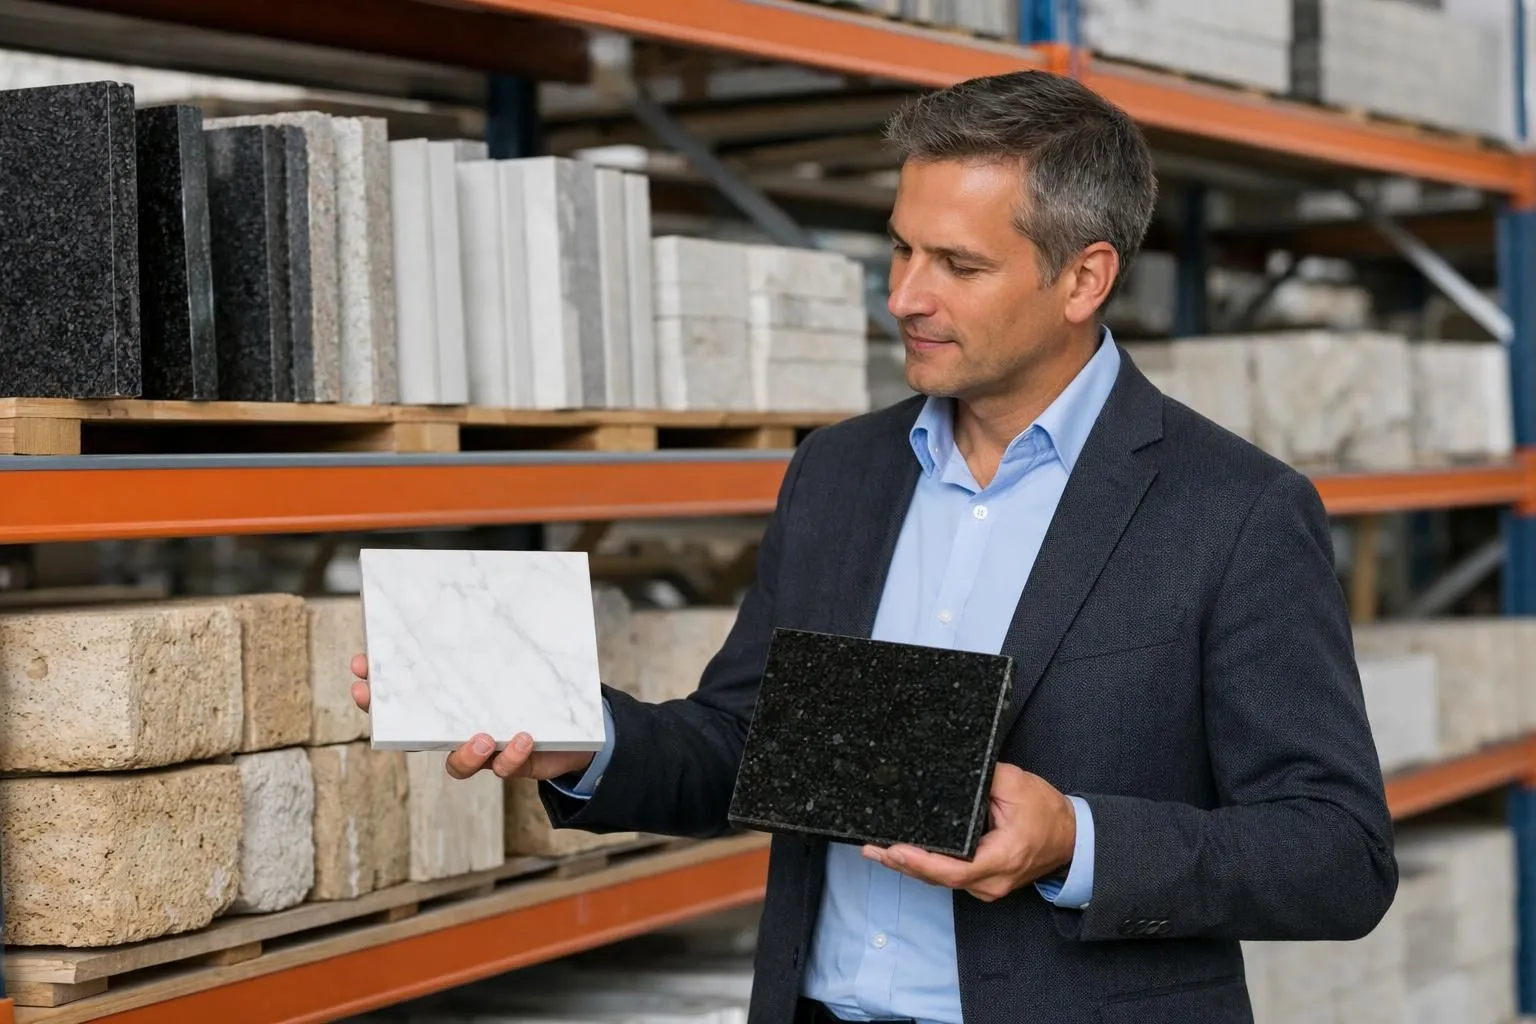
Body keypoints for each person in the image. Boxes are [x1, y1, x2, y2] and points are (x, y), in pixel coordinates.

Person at [351, 69, 1396, 1024]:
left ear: (1084, 280)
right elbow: (747, 743)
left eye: (958, 264)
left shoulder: (1234, 511)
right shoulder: (841, 472)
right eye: (902, 248)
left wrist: (1076, 841)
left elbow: (1338, 853)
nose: (904, 297)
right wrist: (584, 738)